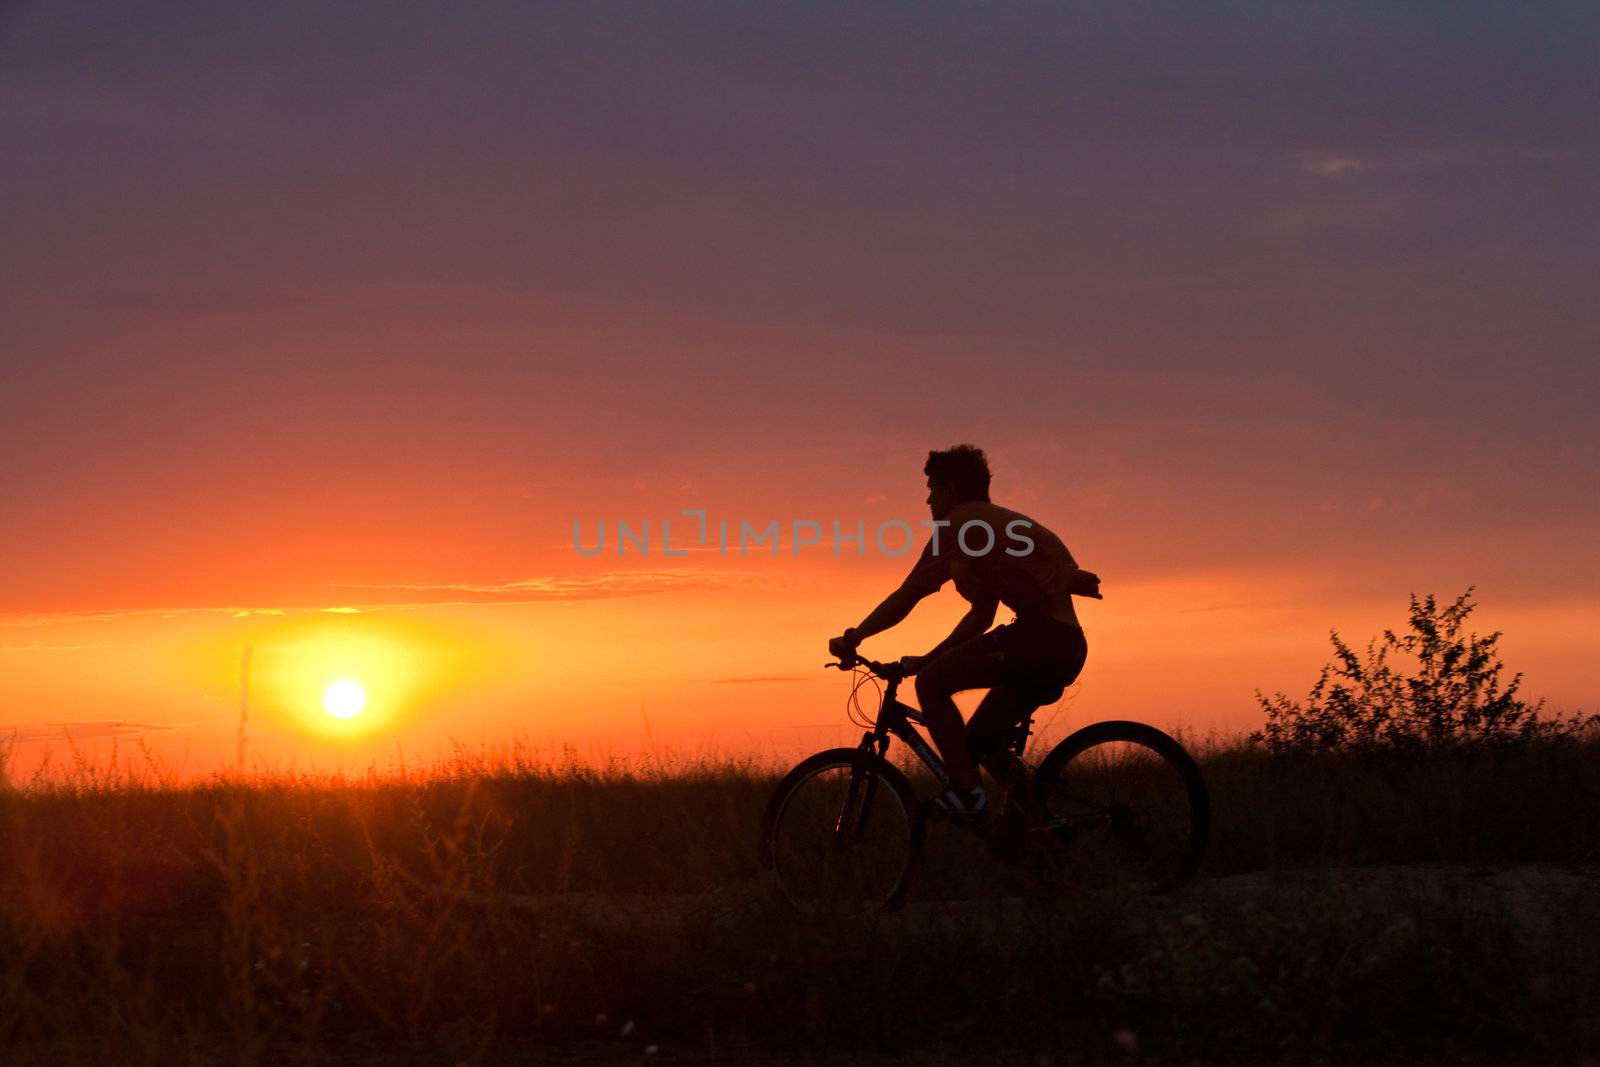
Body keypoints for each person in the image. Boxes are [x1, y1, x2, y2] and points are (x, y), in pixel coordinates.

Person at [829, 444, 1100, 821]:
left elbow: (909, 594)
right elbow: (981, 617)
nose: (927, 498)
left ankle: (967, 793)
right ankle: (1043, 833)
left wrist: (855, 636)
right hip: (1063, 645)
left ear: (951, 490)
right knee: (980, 743)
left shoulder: (961, 524)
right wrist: (928, 658)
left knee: (930, 684)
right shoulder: (987, 528)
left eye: (932, 488)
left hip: (1040, 638)